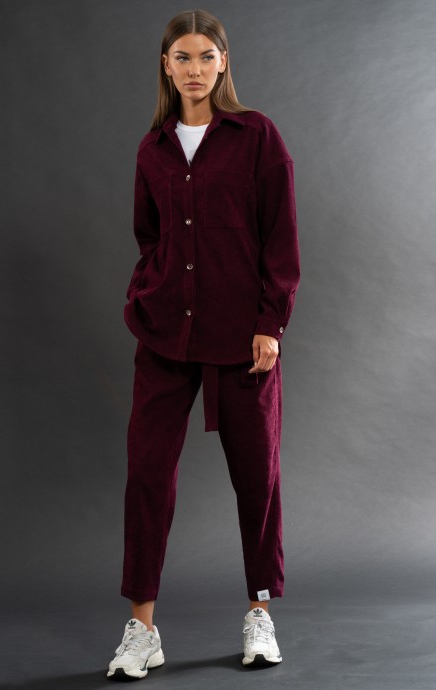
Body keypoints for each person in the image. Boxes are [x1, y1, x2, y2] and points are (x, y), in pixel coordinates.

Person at [107, 8, 301, 681]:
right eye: (183, 57)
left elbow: (280, 236)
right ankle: (141, 629)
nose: (195, 69)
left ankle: (259, 613)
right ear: (166, 66)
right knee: (147, 476)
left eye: (206, 56)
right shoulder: (153, 148)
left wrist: (271, 322)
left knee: (257, 477)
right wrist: (145, 292)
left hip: (244, 340)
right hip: (165, 335)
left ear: (224, 63)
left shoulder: (257, 137)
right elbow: (150, 237)